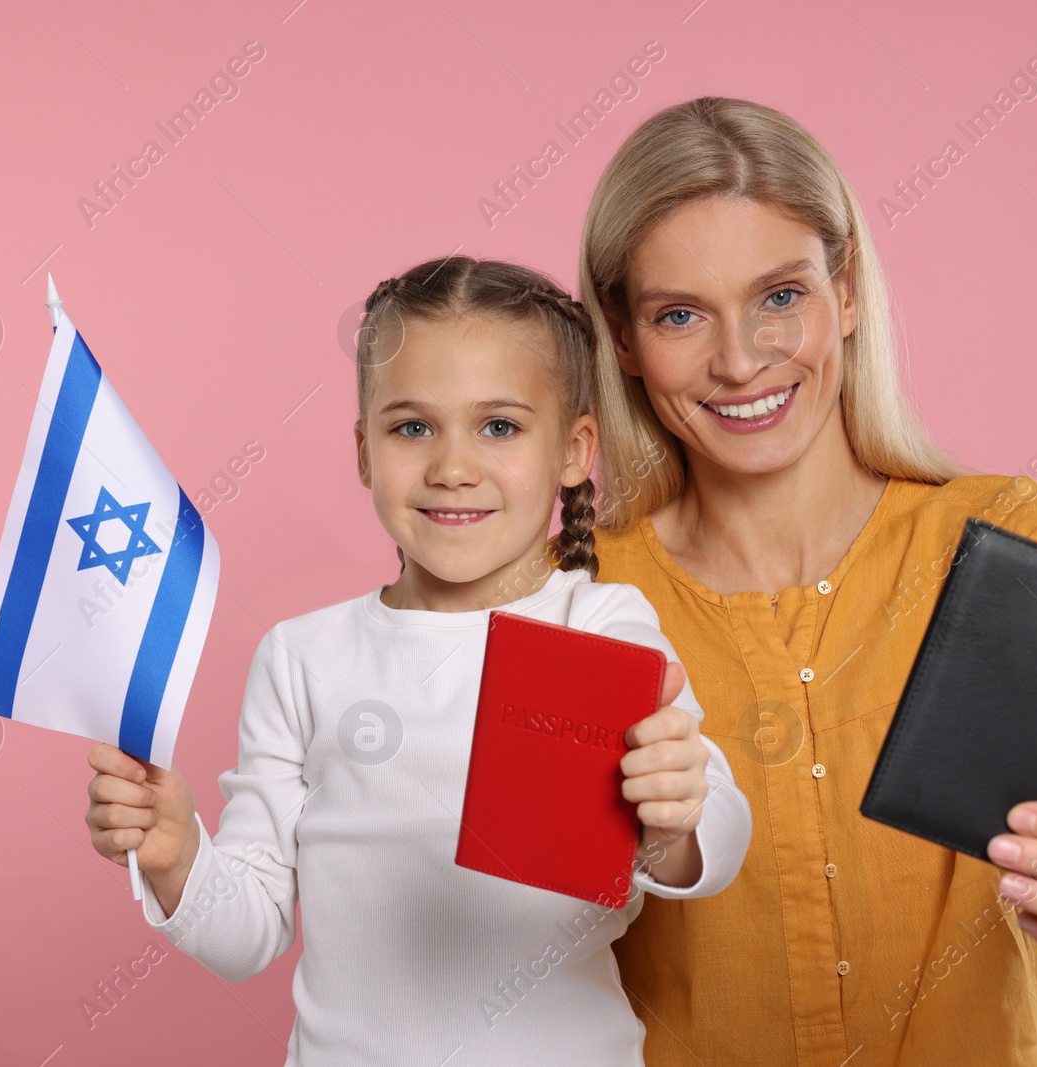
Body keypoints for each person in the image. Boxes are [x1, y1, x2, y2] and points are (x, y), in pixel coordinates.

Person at [579, 97, 1037, 1065]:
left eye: (780, 295)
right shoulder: (571, 593)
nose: (741, 358)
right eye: (678, 315)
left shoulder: (995, 533)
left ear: (846, 288)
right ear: (623, 339)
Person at [82, 256, 752, 1065]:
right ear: (365, 452)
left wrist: (676, 815)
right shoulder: (302, 657)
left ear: (575, 450)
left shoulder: (599, 623)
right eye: (412, 427)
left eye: (499, 426)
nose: (452, 466)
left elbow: (712, 835)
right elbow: (248, 932)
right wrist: (178, 854)